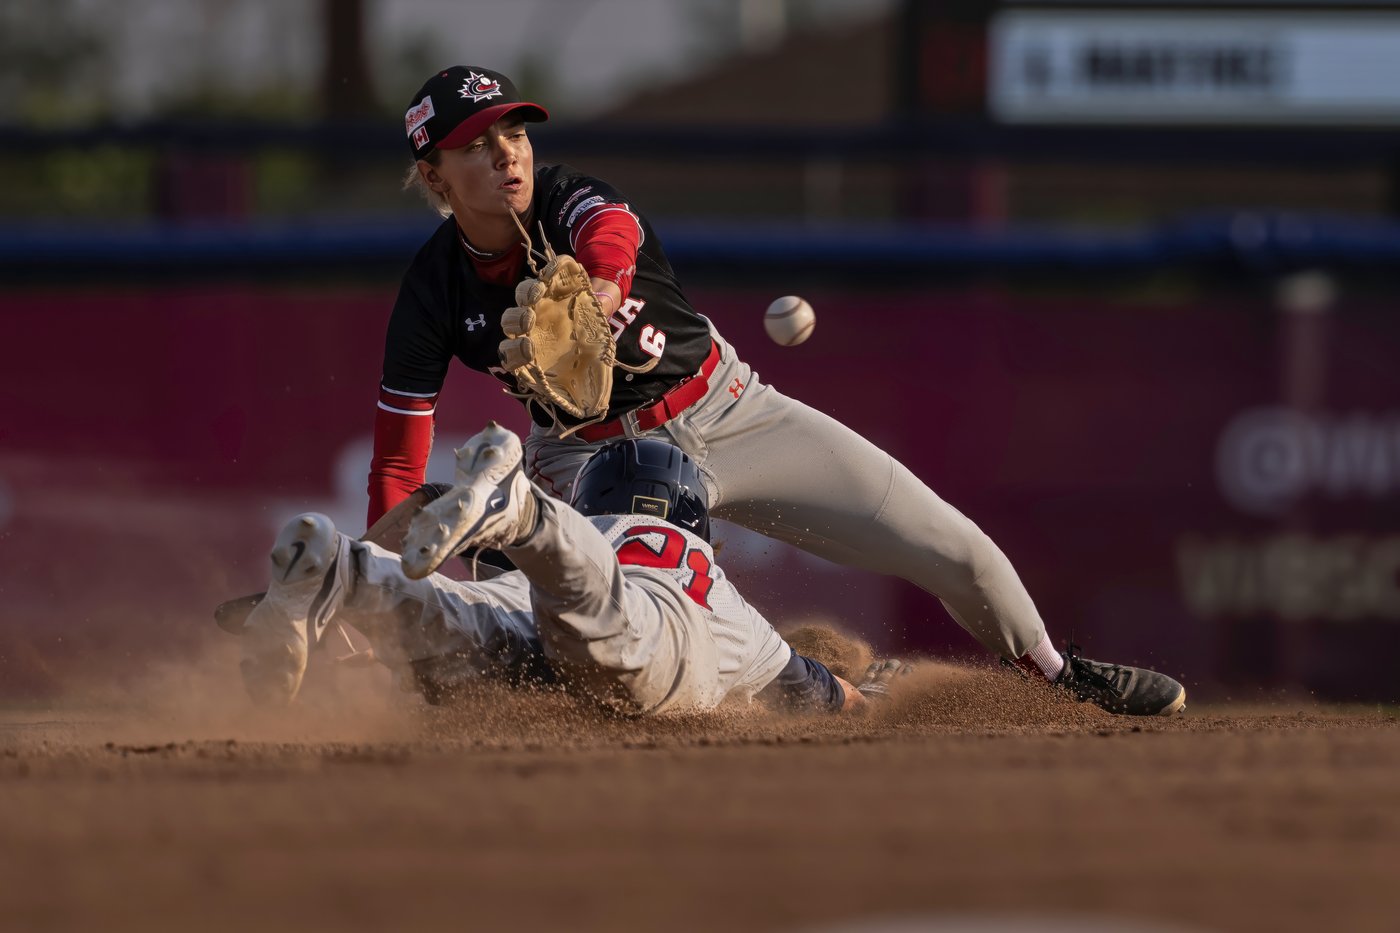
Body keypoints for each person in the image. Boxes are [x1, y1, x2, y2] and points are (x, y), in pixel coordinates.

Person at [373, 65, 1185, 717]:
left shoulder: (566, 197)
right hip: (591, 464)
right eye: (475, 143)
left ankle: (1057, 674)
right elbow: (396, 469)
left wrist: (600, 298)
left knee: (957, 549)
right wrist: (376, 580)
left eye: (512, 131)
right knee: (589, 644)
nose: (506, 152)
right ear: (434, 176)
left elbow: (612, 235)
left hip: (726, 408)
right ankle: (807, 688)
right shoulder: (432, 292)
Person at [241, 426, 875, 716]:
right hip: (657, 626)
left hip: (526, 600)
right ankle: (521, 511)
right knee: (605, 631)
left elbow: (432, 507)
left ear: (592, 500)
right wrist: (868, 693)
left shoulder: (595, 527)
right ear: (692, 518)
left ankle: (341, 567)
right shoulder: (715, 587)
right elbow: (823, 694)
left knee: (456, 625)